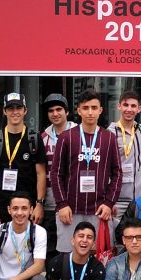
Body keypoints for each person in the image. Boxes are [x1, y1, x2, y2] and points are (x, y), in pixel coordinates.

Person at [50, 88, 121, 254]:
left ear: (100, 110)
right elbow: (56, 173)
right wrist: (62, 204)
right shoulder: (66, 137)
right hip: (70, 210)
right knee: (68, 255)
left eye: (94, 108)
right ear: (78, 111)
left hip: (99, 210)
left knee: (99, 257)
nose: (90, 112)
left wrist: (109, 203)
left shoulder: (109, 138)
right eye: (86, 108)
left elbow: (117, 173)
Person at [0, 92, 46, 229]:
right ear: (4, 111)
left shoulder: (34, 138)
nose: (15, 112)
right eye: (11, 108)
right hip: (1, 205)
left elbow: (41, 174)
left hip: (27, 205)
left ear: (25, 110)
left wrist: (39, 204)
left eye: (19, 108)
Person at [40, 93, 77, 257]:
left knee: (72, 248)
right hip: (50, 203)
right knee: (50, 250)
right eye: (51, 111)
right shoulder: (43, 137)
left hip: (74, 203)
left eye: (59, 109)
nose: (55, 114)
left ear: (67, 112)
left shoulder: (79, 133)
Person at [108, 90, 141, 218]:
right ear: (119, 106)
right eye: (125, 105)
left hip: (140, 200)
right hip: (117, 201)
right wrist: (109, 200)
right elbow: (105, 168)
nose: (129, 109)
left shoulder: (140, 130)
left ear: (139, 109)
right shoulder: (109, 133)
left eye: (133, 106)